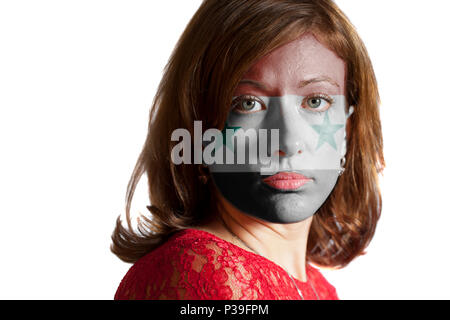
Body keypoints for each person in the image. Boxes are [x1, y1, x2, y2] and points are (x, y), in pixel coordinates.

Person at [111, 0, 384, 300]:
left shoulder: (321, 290)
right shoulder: (198, 272)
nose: (288, 143)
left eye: (316, 101)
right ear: (201, 132)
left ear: (348, 127)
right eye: (248, 103)